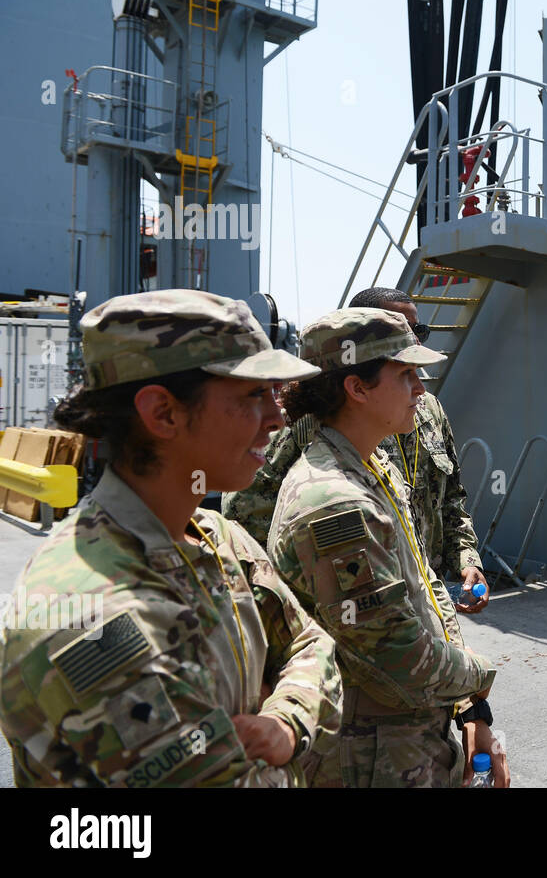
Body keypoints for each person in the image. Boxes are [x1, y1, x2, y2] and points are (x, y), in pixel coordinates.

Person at [0, 290, 342, 786]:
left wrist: (287, 719)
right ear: (163, 413)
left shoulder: (218, 538)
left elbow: (313, 644)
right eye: (252, 394)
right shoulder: (87, 613)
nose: (277, 417)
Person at [267, 307, 507, 787]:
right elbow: (399, 654)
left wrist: (470, 709)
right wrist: (480, 674)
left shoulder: (373, 465)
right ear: (357, 388)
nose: (420, 389)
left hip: (408, 738)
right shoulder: (335, 500)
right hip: (367, 756)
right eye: (405, 375)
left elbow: (424, 588)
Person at [223, 286, 490, 626]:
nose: (412, 343)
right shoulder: (314, 421)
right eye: (398, 333)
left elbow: (453, 497)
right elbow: (245, 510)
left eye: (417, 332)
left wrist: (468, 560)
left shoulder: (428, 410)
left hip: (423, 596)